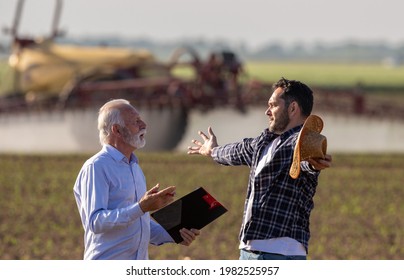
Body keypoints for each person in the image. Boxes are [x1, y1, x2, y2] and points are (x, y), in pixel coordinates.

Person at [188, 77, 332, 260]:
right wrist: (212, 151)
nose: (267, 111)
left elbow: (309, 160)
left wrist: (314, 162)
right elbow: (235, 151)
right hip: (249, 253)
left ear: (293, 108)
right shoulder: (263, 144)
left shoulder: (301, 142)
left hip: (281, 253)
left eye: (272, 105)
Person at [73, 99, 200, 260]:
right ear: (117, 130)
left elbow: (139, 225)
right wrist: (141, 207)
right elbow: (96, 222)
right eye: (136, 121)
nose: (144, 125)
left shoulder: (134, 167)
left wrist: (176, 234)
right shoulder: (96, 167)